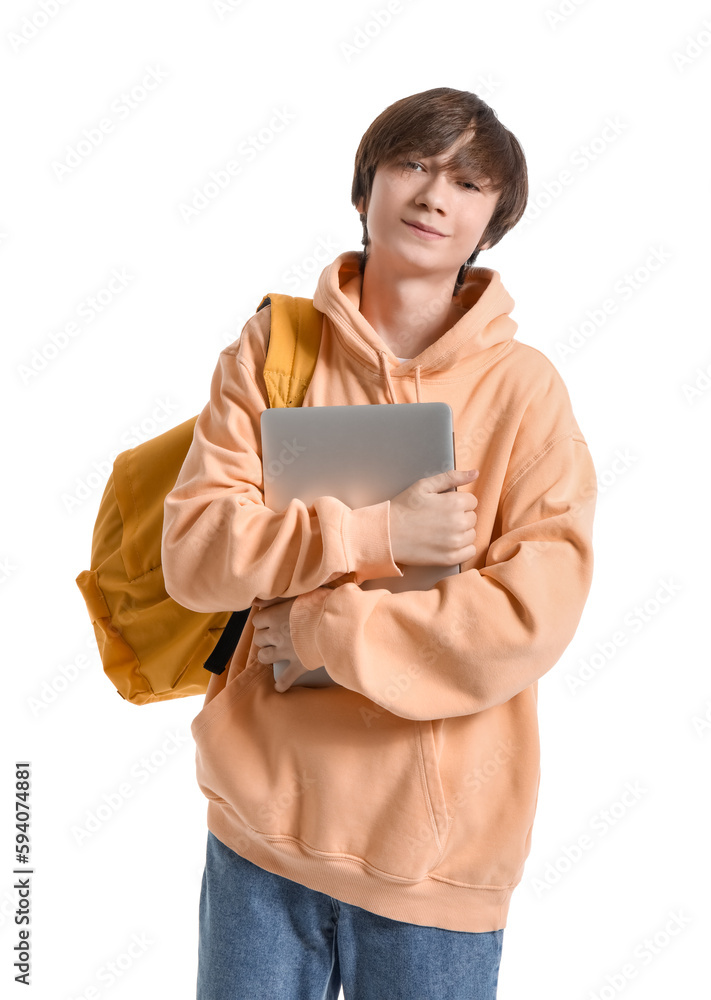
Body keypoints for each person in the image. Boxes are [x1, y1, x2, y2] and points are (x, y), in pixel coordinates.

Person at [161, 86, 597, 1000]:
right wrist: (377, 533)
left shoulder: (525, 392)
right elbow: (197, 551)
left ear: (490, 224)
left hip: (434, 869)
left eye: (469, 182)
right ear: (366, 189)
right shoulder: (273, 350)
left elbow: (531, 612)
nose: (435, 194)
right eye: (413, 164)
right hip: (257, 832)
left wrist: (325, 632)